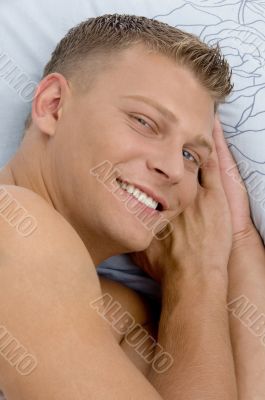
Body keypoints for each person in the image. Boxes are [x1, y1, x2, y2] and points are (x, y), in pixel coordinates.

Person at [0, 13, 264, 399]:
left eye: (192, 155)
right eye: (144, 121)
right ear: (54, 105)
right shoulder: (13, 224)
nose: (173, 168)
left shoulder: (119, 314)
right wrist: (199, 276)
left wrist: (231, 245)